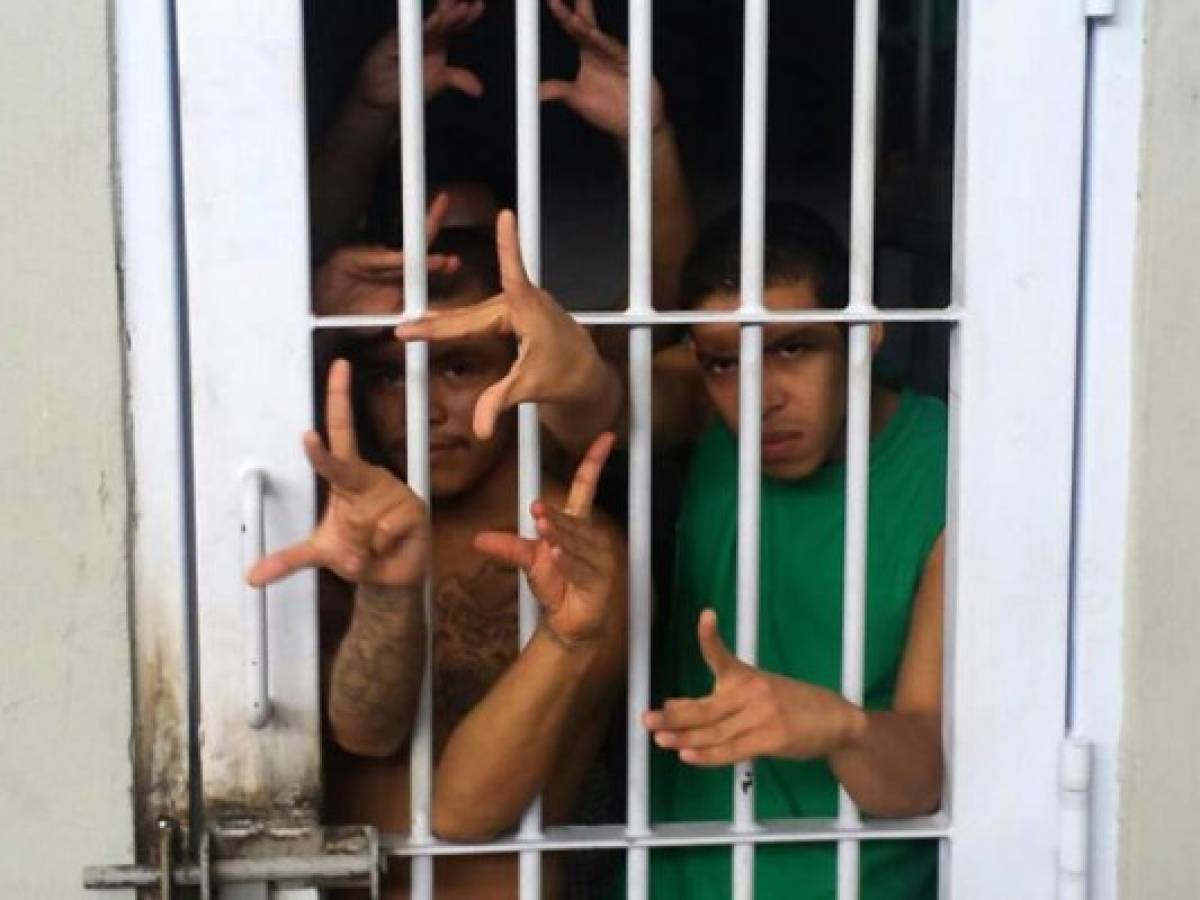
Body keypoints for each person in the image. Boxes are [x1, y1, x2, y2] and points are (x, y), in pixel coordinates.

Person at [397, 204, 946, 899]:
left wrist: (837, 727)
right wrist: (571, 371)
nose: (759, 396)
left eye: (794, 348)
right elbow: (608, 404)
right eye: (724, 361)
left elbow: (924, 771)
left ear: (862, 336)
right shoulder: (714, 414)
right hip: (673, 876)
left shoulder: (946, 474)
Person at [251, 220, 629, 900]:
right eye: (390, 376)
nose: (420, 409)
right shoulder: (348, 531)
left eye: (458, 367)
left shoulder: (578, 551)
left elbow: (465, 815)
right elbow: (367, 732)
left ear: (519, 367)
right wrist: (390, 592)